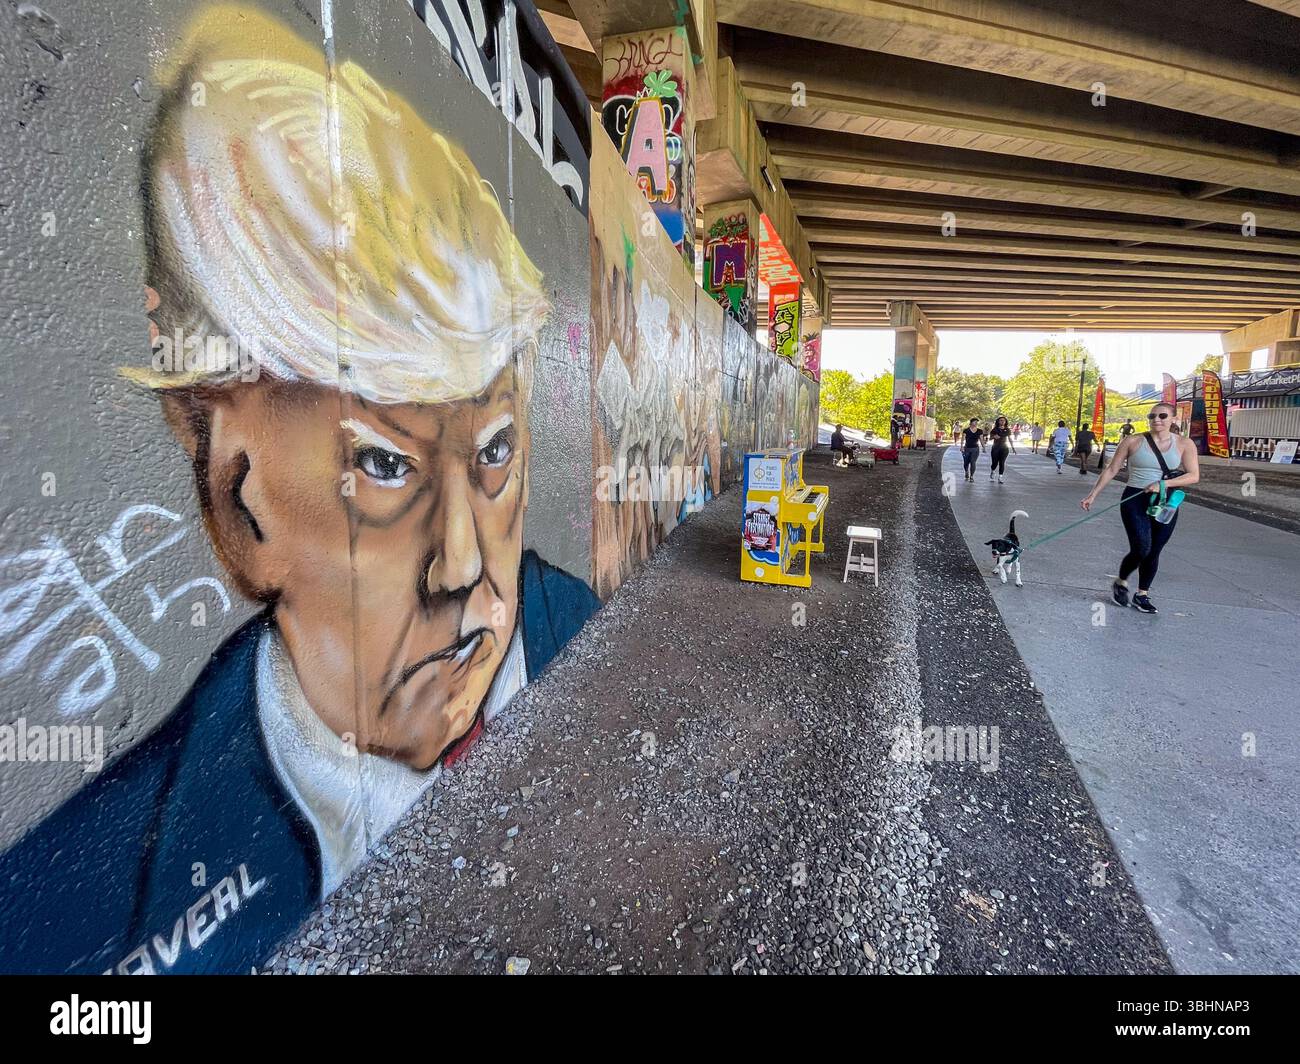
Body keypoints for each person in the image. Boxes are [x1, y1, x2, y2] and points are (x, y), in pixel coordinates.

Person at [0, 12, 601, 976]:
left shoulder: (571, 620)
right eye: (384, 466)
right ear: (240, 508)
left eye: (493, 450)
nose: (465, 565)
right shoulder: (76, 921)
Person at [1081, 402, 1200, 615]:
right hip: (1135, 499)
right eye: (1152, 415)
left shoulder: (1184, 443)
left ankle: (1142, 594)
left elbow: (1193, 475)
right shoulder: (1133, 441)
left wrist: (1163, 484)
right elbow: (1112, 470)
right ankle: (1121, 581)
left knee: (1155, 550)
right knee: (1141, 547)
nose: (1157, 419)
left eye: (1163, 415)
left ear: (1173, 418)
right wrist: (1093, 495)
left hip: (1166, 501)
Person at [987, 415, 1016, 482]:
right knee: (995, 463)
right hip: (996, 447)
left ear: (1005, 422)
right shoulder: (995, 429)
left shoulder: (1007, 430)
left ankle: (1000, 477)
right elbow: (990, 438)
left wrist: (1013, 448)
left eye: (1004, 420)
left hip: (1004, 448)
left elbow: (1010, 439)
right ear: (998, 422)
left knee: (1002, 463)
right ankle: (993, 471)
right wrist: (994, 436)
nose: (1002, 421)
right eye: (1001, 420)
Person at [961, 417, 985, 481]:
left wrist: (983, 447)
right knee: (966, 462)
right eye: (975, 421)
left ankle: (971, 476)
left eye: (977, 422)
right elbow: (963, 439)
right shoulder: (966, 430)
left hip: (975, 449)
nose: (976, 423)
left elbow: (981, 440)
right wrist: (961, 446)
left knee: (973, 462)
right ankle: (966, 472)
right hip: (967, 448)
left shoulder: (980, 431)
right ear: (971, 422)